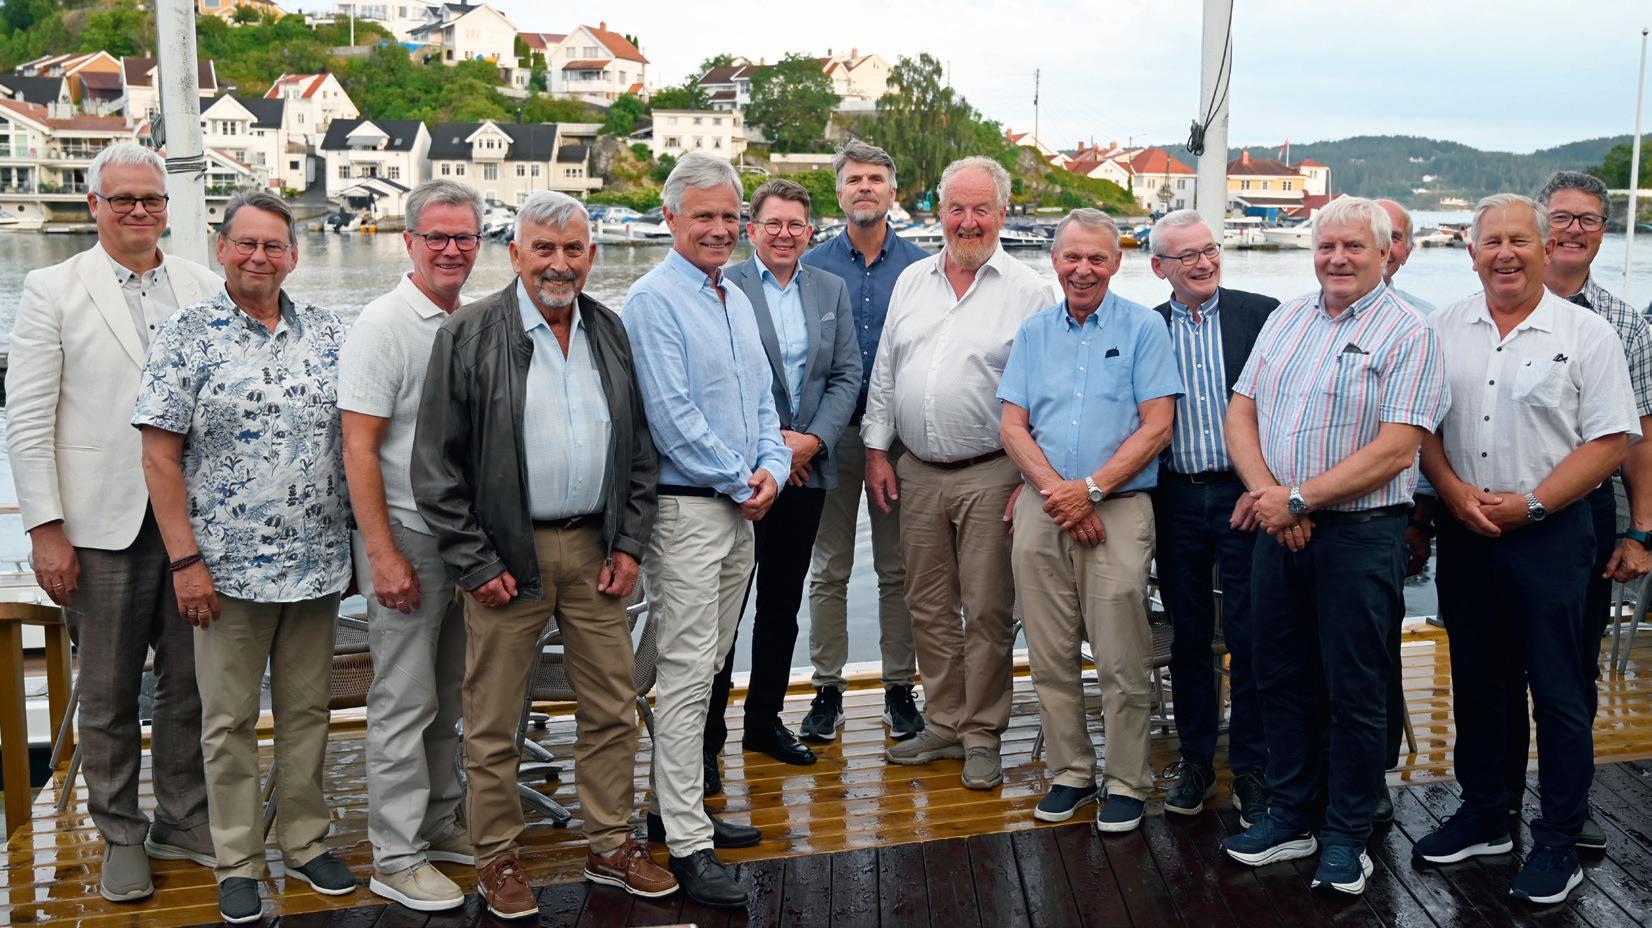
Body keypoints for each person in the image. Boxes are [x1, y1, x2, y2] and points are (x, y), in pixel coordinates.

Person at [412, 190, 672, 918]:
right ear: (515, 254)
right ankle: (496, 857)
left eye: (573, 250)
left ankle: (610, 844)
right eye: (544, 249)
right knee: (493, 718)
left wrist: (629, 544)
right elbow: (435, 469)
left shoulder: (609, 330)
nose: (560, 264)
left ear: (591, 255)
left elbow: (640, 452)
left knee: (613, 707)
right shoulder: (467, 335)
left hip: (595, 549)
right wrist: (476, 562)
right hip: (505, 553)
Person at [132, 192, 357, 924]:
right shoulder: (186, 333)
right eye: (247, 243)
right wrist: (184, 563)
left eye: (274, 245)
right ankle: (236, 859)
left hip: (317, 564)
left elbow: (358, 442)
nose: (260, 256)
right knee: (227, 721)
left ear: (293, 255)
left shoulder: (330, 331)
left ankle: (305, 840)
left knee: (307, 713)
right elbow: (159, 457)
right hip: (225, 571)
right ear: (222, 248)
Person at [4, 142, 220, 904]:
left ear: (167, 207)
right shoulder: (52, 289)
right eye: (122, 198)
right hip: (100, 528)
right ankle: (121, 833)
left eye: (151, 199)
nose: (139, 211)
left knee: (192, 685)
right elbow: (27, 420)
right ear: (94, 205)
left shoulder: (203, 286)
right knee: (106, 693)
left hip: (194, 524)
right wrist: (45, 529)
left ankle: (184, 820)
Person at [1218, 197, 1448, 896]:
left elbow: (1398, 447)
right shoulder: (1288, 317)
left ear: (1385, 253)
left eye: (1354, 247)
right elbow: (1241, 411)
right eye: (1327, 247)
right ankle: (1290, 815)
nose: (1338, 259)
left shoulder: (1411, 331)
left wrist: (1298, 499)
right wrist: (1272, 497)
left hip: (1360, 535)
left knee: (1357, 690)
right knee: (1279, 674)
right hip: (1280, 526)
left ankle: (1348, 834)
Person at [1415, 194, 1635, 904]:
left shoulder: (1587, 332)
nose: (1505, 254)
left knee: (1560, 692)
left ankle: (1559, 839)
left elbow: (1610, 440)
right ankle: (1487, 815)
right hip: (1468, 529)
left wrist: (1534, 503)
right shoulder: (1442, 327)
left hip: (1552, 532)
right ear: (1471, 252)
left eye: (1519, 240)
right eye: (1492, 242)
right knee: (1480, 683)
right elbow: (1420, 427)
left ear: (1544, 249)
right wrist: (1452, 494)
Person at [622, 151, 791, 909]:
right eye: (705, 216)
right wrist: (741, 478)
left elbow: (761, 401)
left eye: (729, 215)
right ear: (670, 218)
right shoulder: (652, 301)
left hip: (739, 505)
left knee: (710, 665)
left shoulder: (734, 298)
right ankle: (687, 845)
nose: (720, 229)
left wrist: (772, 468)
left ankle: (673, 807)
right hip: (688, 509)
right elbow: (670, 415)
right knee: (689, 672)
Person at [863, 155, 1056, 789]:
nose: (967, 222)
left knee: (989, 610)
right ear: (939, 211)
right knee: (927, 605)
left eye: (981, 209)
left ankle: (983, 733)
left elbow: (1045, 397)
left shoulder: (1030, 291)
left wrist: (1031, 480)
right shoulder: (912, 280)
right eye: (956, 209)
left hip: (992, 473)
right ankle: (944, 722)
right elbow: (886, 371)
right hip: (916, 470)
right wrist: (876, 450)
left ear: (1002, 213)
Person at [1002, 209, 1182, 830]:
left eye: (1097, 258)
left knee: (1120, 655)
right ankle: (1071, 773)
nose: (1083, 269)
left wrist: (1093, 489)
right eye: (1072, 257)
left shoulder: (1144, 328)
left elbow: (1157, 426)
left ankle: (1127, 781)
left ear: (1117, 262)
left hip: (1121, 506)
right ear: (1054, 260)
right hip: (1043, 506)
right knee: (1050, 652)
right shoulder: (1033, 333)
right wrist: (1061, 494)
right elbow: (1013, 426)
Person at [339, 179, 484, 911]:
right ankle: (395, 855)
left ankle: (437, 821)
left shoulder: (475, 320)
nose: (451, 249)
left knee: (450, 694)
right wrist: (383, 554)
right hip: (407, 536)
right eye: (437, 236)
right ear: (410, 241)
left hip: (466, 541)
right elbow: (358, 448)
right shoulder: (384, 324)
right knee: (403, 699)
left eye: (464, 237)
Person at [704, 179, 861, 774]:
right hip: (745, 477)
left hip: (808, 471)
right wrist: (773, 455)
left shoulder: (830, 289)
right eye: (773, 222)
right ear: (752, 229)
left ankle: (763, 721)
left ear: (810, 231)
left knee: (782, 603)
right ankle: (707, 739)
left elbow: (846, 375)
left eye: (796, 224)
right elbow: (722, 383)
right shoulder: (725, 286)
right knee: (726, 608)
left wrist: (811, 443)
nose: (784, 234)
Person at [1144, 209, 1278, 823]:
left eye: (1209, 250)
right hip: (1175, 497)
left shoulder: (1263, 315)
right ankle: (1196, 762)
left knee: (1252, 633)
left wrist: (1265, 485)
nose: (1203, 263)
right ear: (1159, 268)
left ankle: (1251, 766)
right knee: (1190, 636)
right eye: (1187, 256)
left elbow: (1284, 407)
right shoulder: (1147, 328)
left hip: (1244, 494)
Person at [798, 139, 932, 743]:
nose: (865, 188)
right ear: (839, 191)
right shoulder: (812, 266)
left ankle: (900, 689)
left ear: (892, 191)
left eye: (876, 179)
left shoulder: (923, 268)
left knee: (896, 569)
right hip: (829, 435)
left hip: (897, 441)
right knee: (828, 568)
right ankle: (827, 689)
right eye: (854, 179)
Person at [1534, 170, 1652, 850]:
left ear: (1604, 233)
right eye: (1561, 217)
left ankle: (1568, 806)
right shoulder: (1487, 307)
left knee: (1572, 670)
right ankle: (1489, 803)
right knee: (1488, 667)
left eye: (1588, 220)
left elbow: (1641, 440)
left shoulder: (1625, 324)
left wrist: (1641, 532)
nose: (1573, 230)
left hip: (1584, 519)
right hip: (1489, 514)